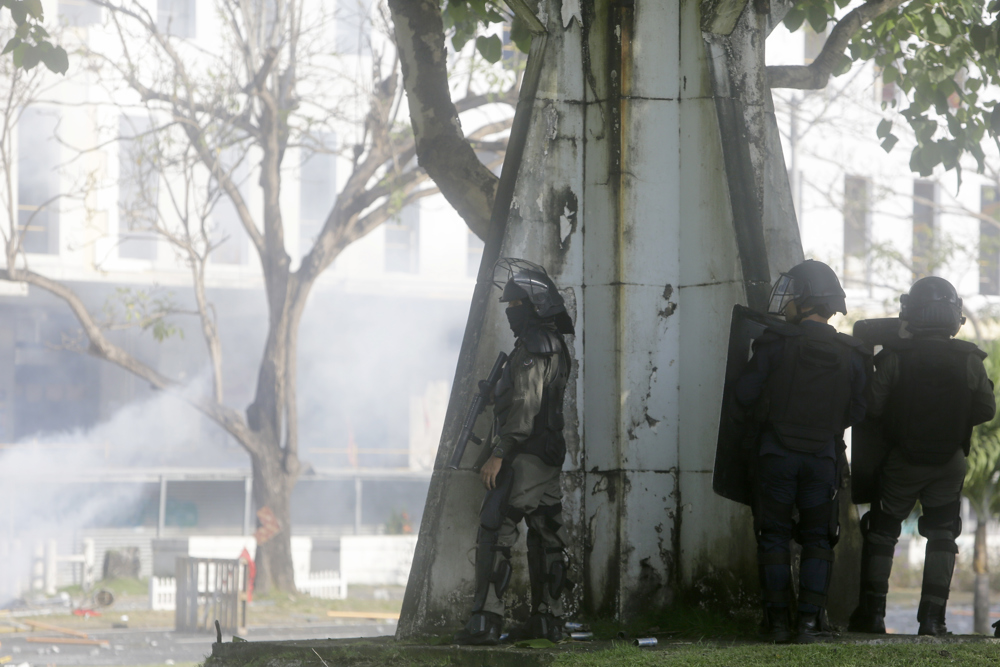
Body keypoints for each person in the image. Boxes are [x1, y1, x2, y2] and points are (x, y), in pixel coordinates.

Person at [849, 277, 995, 636]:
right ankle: (933, 620)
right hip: (949, 461)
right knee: (944, 533)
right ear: (953, 316)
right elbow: (986, 409)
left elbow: (874, 407)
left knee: (883, 532)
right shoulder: (970, 358)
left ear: (911, 314)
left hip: (903, 461)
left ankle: (873, 616)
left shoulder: (895, 358)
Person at [734, 259, 867, 643]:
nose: (787, 302)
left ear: (807, 300)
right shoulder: (853, 353)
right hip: (822, 458)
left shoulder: (776, 342)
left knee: (773, 535)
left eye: (793, 296)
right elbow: (859, 410)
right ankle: (809, 625)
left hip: (775, 455)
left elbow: (744, 394)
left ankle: (777, 625)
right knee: (819, 538)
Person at [453, 258, 575, 646]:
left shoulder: (534, 347)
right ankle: (547, 622)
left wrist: (499, 453)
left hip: (524, 455)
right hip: (547, 454)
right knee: (547, 532)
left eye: (515, 305)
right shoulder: (553, 345)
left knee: (496, 527)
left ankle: (486, 620)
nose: (509, 313)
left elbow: (524, 406)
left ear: (533, 306)